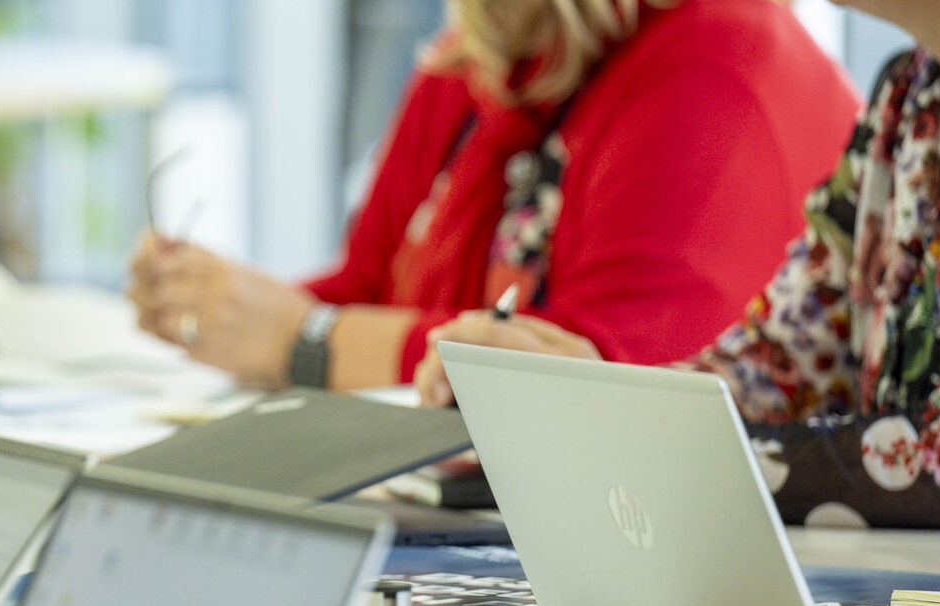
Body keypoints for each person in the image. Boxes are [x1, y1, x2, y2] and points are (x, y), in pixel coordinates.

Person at [126, 0, 859, 392]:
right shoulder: (477, 47)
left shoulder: (714, 64)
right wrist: (224, 309)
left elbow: (595, 384)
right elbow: (364, 290)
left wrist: (302, 343)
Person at [416, 1, 940, 527]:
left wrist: (635, 441)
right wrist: (596, 398)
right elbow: (784, 365)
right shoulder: (911, 91)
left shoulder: (708, 56)